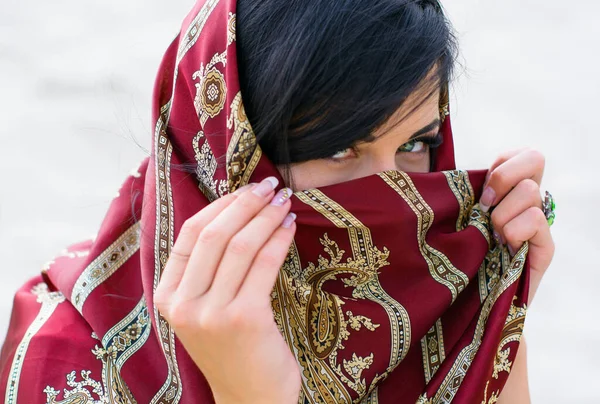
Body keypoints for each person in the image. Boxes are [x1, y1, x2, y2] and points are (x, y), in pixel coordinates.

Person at [0, 0, 555, 402]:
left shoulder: (448, 333)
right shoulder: (65, 364)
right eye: (339, 148)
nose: (398, 196)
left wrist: (499, 318)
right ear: (229, 157)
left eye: (416, 144)